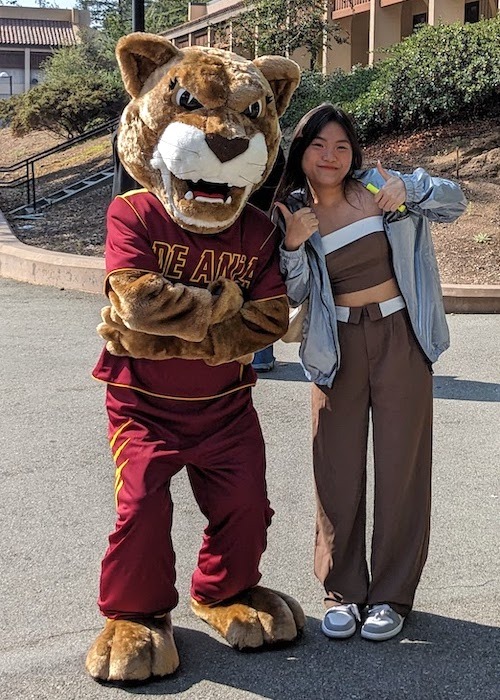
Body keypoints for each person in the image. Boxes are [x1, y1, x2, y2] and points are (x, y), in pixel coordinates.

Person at [275, 103, 467, 642]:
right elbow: (291, 291)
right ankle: (342, 590)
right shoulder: (290, 211)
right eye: (318, 146)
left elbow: (458, 203)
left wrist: (415, 190)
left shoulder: (383, 187)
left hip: (399, 338)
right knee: (334, 466)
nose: (330, 156)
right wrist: (292, 245)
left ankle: (391, 594)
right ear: (302, 153)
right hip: (335, 346)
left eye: (340, 146)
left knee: (401, 466)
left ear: (353, 151)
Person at [112, 130, 285, 373]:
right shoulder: (136, 211)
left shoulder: (259, 229)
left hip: (226, 392)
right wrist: (228, 304)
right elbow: (139, 305)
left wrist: (149, 342)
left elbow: (271, 320)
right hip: (139, 389)